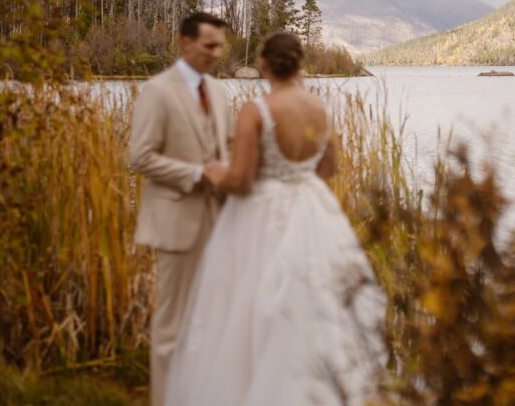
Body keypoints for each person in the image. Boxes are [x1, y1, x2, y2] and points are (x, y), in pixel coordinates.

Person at [165, 31, 386, 406]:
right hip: (312, 210)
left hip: (259, 215)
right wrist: (296, 176)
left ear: (264, 64)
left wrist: (212, 171)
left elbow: (240, 180)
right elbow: (328, 168)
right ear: (299, 63)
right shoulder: (319, 108)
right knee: (312, 305)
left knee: (245, 307)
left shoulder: (258, 110)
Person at [129, 12, 234, 406]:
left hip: (221, 220)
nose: (217, 53)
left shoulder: (218, 92)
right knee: (171, 326)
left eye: (220, 46)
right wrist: (195, 173)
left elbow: (227, 146)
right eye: (210, 46)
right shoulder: (157, 91)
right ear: (184, 43)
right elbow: (139, 156)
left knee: (210, 321)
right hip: (176, 220)